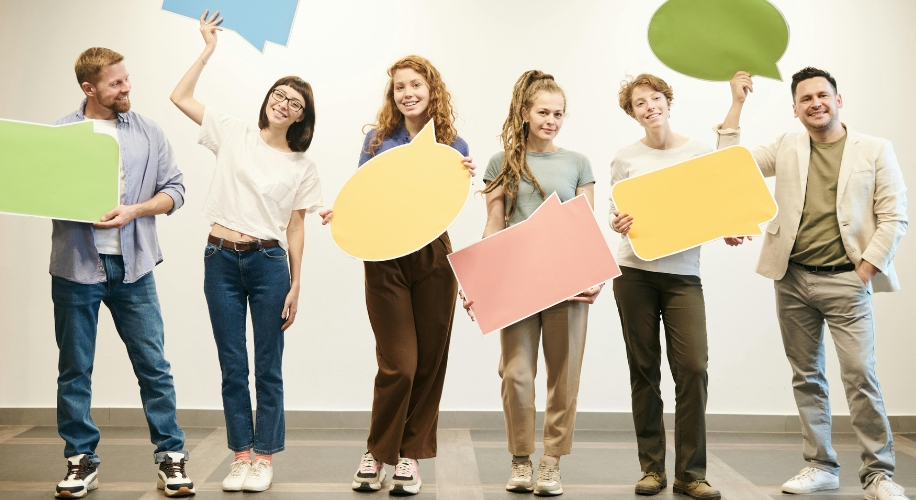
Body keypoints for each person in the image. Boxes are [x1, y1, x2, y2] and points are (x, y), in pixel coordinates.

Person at [719, 68, 909, 500]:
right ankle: (820, 465)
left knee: (860, 375)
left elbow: (894, 218)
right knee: (807, 376)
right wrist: (737, 103)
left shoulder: (875, 149)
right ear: (795, 108)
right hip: (792, 279)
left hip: (847, 279)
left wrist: (865, 271)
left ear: (839, 100)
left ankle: (878, 474)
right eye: (806, 99)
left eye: (822, 95)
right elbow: (729, 167)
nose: (815, 103)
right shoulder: (787, 145)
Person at [169, 11, 322, 492]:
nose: (283, 104)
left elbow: (296, 225)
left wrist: (297, 283)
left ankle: (265, 458)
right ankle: (241, 456)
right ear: (268, 101)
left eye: (293, 102)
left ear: (301, 116)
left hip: (270, 264)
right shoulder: (233, 131)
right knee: (233, 363)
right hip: (220, 258)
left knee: (267, 365)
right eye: (278, 95)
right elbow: (179, 98)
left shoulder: (302, 164)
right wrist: (208, 50)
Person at [319, 55, 475, 496]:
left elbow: (450, 200)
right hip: (383, 257)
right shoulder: (376, 141)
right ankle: (377, 450)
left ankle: (409, 457)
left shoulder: (453, 144)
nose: (407, 93)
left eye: (415, 85)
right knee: (399, 364)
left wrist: (464, 175)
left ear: (432, 90)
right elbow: (360, 192)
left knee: (429, 361)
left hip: (433, 258)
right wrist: (341, 212)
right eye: (399, 87)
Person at [51, 47, 193, 498]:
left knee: (154, 366)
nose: (127, 87)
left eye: (126, 78)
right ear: (89, 89)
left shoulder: (148, 132)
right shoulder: (59, 135)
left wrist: (134, 211)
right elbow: (38, 192)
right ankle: (80, 460)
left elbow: (176, 190)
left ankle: (171, 457)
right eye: (116, 83)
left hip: (135, 269)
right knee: (75, 369)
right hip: (75, 268)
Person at [468, 69, 597, 497]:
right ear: (525, 113)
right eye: (543, 112)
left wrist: (594, 275)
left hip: (568, 284)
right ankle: (521, 460)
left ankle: (552, 464)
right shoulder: (500, 162)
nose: (551, 120)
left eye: (558, 113)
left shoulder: (578, 163)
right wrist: (479, 282)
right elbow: (493, 222)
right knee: (516, 375)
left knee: (564, 375)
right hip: (517, 283)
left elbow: (586, 226)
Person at [608, 74, 722, 500]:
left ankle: (691, 473)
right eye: (640, 102)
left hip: (682, 274)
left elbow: (713, 202)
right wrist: (616, 222)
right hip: (633, 272)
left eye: (655, 98)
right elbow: (616, 211)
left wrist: (728, 226)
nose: (649, 106)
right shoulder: (625, 158)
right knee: (644, 371)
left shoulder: (697, 152)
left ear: (667, 102)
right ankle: (651, 469)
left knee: (693, 368)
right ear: (633, 113)